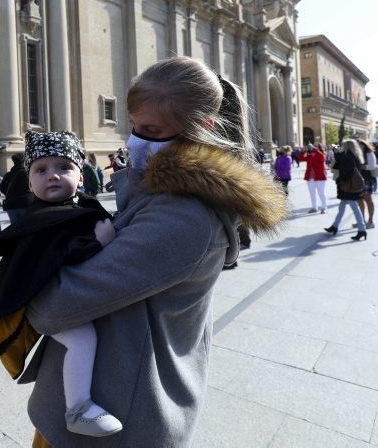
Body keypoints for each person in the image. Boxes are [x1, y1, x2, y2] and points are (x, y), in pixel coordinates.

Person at [25, 58, 287, 447]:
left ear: (202, 128)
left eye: (151, 130)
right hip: (113, 399)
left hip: (121, 414)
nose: (135, 139)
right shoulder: (160, 195)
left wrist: (22, 284)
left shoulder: (182, 217)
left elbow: (53, 307)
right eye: (134, 126)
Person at [0, 131, 122, 438]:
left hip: (73, 298)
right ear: (30, 183)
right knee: (82, 340)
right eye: (41, 170)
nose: (52, 175)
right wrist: (97, 242)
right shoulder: (38, 219)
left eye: (63, 168)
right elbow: (53, 255)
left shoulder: (81, 206)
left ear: (80, 177)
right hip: (44, 302)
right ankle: (78, 409)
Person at [324, 139, 367, 241]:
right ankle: (335, 226)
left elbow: (343, 170)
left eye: (343, 145)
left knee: (354, 208)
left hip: (348, 186)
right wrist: (338, 156)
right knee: (342, 207)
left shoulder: (348, 156)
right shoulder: (355, 155)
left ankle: (362, 230)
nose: (342, 147)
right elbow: (337, 166)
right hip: (349, 185)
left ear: (347, 146)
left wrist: (341, 180)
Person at [0, 153, 31, 224]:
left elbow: (2, 188)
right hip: (25, 204)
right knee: (27, 227)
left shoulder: (8, 175)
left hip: (11, 205)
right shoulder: (28, 173)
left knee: (15, 228)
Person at [300, 143, 328, 213]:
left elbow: (321, 157)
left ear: (319, 148)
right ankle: (314, 207)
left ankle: (324, 207)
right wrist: (304, 151)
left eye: (315, 147)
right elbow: (301, 158)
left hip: (320, 177)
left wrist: (314, 149)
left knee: (321, 193)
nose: (312, 148)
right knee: (312, 193)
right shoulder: (309, 155)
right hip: (310, 177)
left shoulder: (321, 154)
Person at [356, 139, 377, 229]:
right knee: (359, 200)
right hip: (357, 178)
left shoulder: (369, 153)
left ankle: (371, 221)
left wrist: (363, 166)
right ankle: (362, 220)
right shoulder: (356, 154)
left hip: (367, 178)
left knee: (368, 200)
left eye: (358, 145)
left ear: (363, 145)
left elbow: (373, 166)